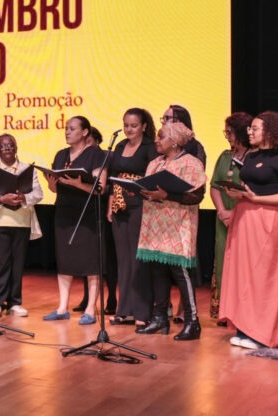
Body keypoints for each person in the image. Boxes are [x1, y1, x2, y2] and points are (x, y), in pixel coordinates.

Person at [221, 112, 278, 349]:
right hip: (245, 217)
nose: (250, 132)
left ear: (270, 131)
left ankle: (262, 333)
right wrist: (239, 193)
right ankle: (245, 329)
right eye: (250, 128)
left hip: (268, 220)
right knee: (244, 274)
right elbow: (251, 185)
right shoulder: (252, 156)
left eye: (255, 128)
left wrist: (256, 198)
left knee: (263, 276)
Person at [133, 122, 208, 340]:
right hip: (155, 225)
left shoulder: (191, 164)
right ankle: (160, 318)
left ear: (175, 141)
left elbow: (196, 196)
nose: (156, 140)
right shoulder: (155, 163)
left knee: (181, 273)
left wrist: (167, 196)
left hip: (178, 226)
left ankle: (192, 322)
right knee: (157, 270)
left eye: (161, 137)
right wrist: (137, 191)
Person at [40, 116, 106, 325]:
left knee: (91, 261)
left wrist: (78, 184)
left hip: (86, 212)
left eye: (72, 128)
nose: (67, 132)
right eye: (66, 128)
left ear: (85, 132)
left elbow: (100, 188)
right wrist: (52, 183)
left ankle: (90, 309)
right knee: (65, 258)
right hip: (64, 211)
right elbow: (56, 187)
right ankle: (62, 307)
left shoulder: (96, 154)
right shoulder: (61, 154)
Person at [0, 133, 43, 317]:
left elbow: (38, 193)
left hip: (22, 223)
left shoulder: (27, 169)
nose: (7, 148)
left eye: (11, 145)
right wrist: (1, 198)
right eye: (3, 145)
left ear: (16, 148)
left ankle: (15, 302)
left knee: (17, 264)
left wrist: (25, 197)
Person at [106, 108, 156, 326]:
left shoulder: (150, 147)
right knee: (123, 260)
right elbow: (112, 179)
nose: (129, 129)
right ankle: (124, 310)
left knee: (138, 260)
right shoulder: (119, 146)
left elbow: (153, 177)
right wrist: (110, 206)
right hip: (119, 205)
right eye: (126, 125)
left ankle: (142, 312)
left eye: (134, 125)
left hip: (140, 205)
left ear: (144, 126)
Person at [208, 112, 253, 321]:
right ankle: (225, 311)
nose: (227, 136)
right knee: (223, 259)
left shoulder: (255, 157)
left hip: (247, 217)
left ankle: (243, 312)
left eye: (230, 132)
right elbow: (215, 186)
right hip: (224, 218)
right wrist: (222, 211)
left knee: (244, 263)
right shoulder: (226, 156)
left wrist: (234, 212)